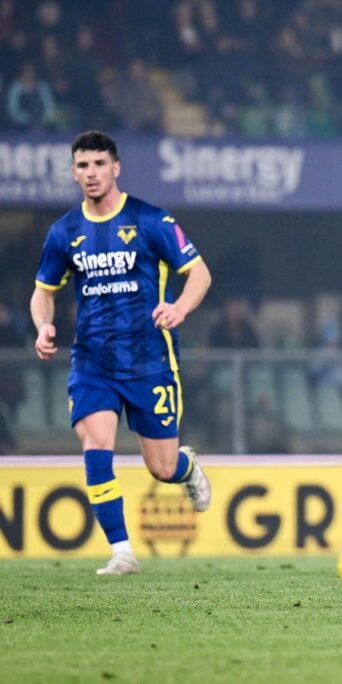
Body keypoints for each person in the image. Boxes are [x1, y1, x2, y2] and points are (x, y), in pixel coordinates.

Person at [30, 131, 214, 576]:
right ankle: (122, 551)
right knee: (96, 444)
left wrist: (179, 307)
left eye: (98, 164)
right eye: (82, 166)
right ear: (74, 173)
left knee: (162, 467)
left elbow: (200, 274)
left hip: (149, 361)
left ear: (116, 168)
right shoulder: (64, 232)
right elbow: (42, 292)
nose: (90, 173)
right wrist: (43, 325)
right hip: (92, 361)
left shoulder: (151, 221)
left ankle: (187, 469)